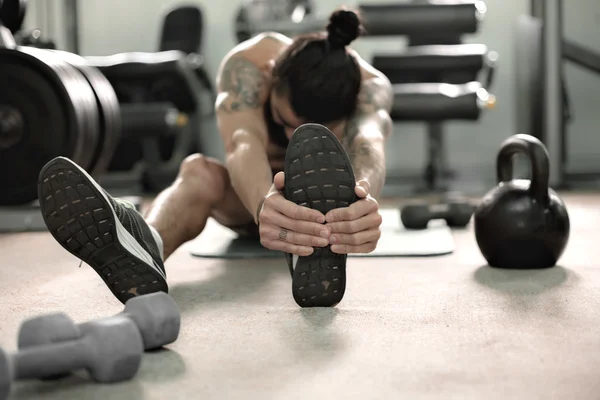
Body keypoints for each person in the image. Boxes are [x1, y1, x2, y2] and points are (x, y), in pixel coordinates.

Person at [37, 6, 393, 308]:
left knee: (328, 187)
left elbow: (369, 140)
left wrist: (364, 199)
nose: (288, 137)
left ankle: (307, 249)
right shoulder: (251, 64)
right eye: (283, 121)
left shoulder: (370, 88)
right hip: (252, 199)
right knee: (198, 171)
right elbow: (243, 142)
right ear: (272, 75)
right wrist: (264, 205)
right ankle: (144, 248)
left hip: (323, 217)